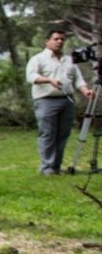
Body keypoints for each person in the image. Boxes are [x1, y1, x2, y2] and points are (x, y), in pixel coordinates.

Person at [26, 28, 94, 175]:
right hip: (45, 100)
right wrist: (49, 80)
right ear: (47, 41)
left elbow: (78, 80)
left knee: (63, 134)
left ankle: (56, 166)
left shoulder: (70, 60)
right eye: (56, 39)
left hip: (67, 101)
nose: (59, 42)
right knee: (48, 133)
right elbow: (31, 77)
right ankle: (47, 167)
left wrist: (85, 91)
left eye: (62, 39)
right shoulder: (38, 59)